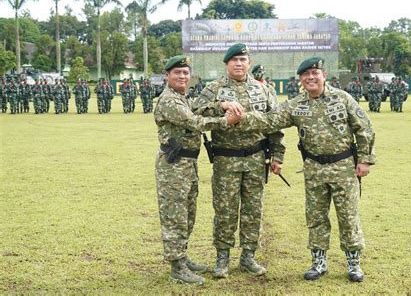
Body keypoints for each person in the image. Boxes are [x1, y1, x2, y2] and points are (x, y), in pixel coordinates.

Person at [243, 57, 376, 282]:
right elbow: (270, 121)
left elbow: (364, 128)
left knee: (348, 216)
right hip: (313, 169)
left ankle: (354, 264)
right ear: (301, 80)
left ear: (323, 75)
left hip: (343, 167)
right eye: (306, 75)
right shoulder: (296, 104)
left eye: (315, 73)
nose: (311, 78)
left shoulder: (342, 98)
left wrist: (365, 160)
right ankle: (318, 262)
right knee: (315, 217)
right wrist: (241, 118)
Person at [192, 43, 285, 279]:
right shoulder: (214, 88)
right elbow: (196, 110)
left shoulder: (264, 90)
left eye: (242, 59)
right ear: (226, 64)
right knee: (224, 210)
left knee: (253, 209)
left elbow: (275, 123)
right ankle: (222, 257)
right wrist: (220, 105)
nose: (238, 63)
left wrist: (277, 156)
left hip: (256, 159)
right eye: (233, 60)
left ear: (249, 63)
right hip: (225, 159)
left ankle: (248, 256)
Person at [154, 55, 245, 285]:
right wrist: (226, 121)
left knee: (187, 213)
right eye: (177, 73)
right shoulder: (169, 101)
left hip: (187, 164)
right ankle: (177, 267)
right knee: (175, 215)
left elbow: (200, 110)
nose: (182, 76)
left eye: (186, 73)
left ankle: (182, 257)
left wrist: (221, 105)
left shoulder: (182, 97)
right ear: (167, 76)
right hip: (174, 166)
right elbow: (195, 122)